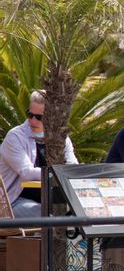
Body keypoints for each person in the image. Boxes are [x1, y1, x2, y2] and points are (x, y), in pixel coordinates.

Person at [0, 90, 78, 218]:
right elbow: (27, 173)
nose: (33, 121)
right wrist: (59, 174)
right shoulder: (15, 137)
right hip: (13, 202)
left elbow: (72, 165)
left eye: (39, 117)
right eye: (30, 115)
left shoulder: (61, 138)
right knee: (49, 217)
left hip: (52, 198)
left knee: (85, 210)